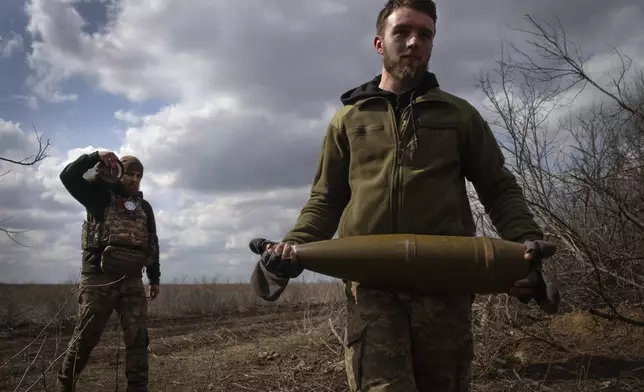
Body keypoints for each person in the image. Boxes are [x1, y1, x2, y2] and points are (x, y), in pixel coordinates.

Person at [249, 1, 559, 391]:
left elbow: (498, 187)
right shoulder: (348, 121)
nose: (413, 42)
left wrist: (523, 247)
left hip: (445, 286)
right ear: (380, 43)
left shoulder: (460, 116)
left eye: (424, 34)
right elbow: (326, 199)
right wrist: (292, 248)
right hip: (372, 289)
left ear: (432, 44)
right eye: (402, 32)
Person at [56, 151, 160, 392]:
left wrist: (154, 278)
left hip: (132, 279)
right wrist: (96, 157)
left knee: (138, 339)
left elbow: (152, 243)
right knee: (85, 339)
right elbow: (67, 176)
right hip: (98, 279)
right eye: (130, 174)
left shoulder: (144, 207)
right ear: (119, 173)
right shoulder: (98, 196)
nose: (135, 179)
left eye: (139, 175)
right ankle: (64, 386)